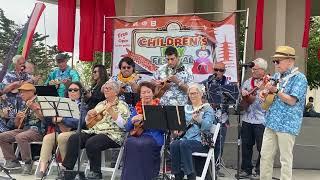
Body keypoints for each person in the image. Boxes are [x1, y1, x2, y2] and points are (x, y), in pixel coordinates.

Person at [61, 81, 130, 180]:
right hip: (95, 131)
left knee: (92, 142)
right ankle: (68, 171)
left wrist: (112, 112)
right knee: (75, 138)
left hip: (113, 134)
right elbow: (89, 123)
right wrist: (88, 116)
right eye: (105, 88)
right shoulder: (101, 104)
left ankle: (96, 172)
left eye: (109, 88)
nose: (106, 90)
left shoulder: (122, 105)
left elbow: (124, 125)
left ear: (116, 92)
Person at [259, 46, 308, 180]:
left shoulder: (300, 78)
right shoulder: (276, 76)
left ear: (290, 61)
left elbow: (292, 101)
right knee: (265, 156)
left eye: (278, 61)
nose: (275, 64)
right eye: (274, 61)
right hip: (271, 122)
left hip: (287, 124)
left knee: (285, 160)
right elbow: (269, 96)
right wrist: (264, 94)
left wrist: (276, 91)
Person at [36, 82, 88, 178]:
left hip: (76, 132)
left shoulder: (83, 106)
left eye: (75, 90)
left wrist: (63, 119)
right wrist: (47, 115)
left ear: (80, 92)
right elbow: (49, 121)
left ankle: (66, 170)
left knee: (62, 137)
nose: (72, 92)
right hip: (62, 130)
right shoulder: (61, 103)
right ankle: (42, 169)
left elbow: (81, 122)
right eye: (70, 90)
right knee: (47, 138)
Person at [170, 83, 215, 180]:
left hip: (201, 141)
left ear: (201, 94)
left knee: (184, 144)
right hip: (186, 140)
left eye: (195, 93)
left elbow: (206, 127)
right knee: (174, 144)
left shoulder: (207, 108)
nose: (193, 96)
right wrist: (177, 130)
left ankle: (191, 175)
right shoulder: (187, 108)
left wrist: (199, 120)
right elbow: (181, 126)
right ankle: (177, 176)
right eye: (190, 93)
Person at [121, 81, 164, 180]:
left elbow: (163, 129)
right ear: (140, 95)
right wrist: (132, 120)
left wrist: (145, 118)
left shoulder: (159, 107)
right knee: (129, 141)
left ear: (153, 93)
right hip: (138, 136)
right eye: (143, 92)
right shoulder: (137, 108)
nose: (146, 95)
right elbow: (127, 128)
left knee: (142, 144)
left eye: (148, 92)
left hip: (153, 137)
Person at [0, 83, 45, 175]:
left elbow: (46, 120)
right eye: (20, 93)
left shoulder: (41, 101)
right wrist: (18, 118)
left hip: (38, 130)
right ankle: (12, 161)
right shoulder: (25, 104)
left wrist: (35, 109)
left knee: (21, 136)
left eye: (23, 92)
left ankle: (28, 163)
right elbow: (18, 126)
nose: (21, 95)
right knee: (2, 136)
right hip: (25, 130)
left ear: (31, 92)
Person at [237, 58, 268, 179]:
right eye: (252, 69)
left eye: (255, 69)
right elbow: (243, 99)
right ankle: (246, 169)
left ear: (262, 70)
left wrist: (256, 93)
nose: (252, 71)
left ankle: (260, 170)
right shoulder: (248, 81)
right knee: (246, 145)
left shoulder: (268, 81)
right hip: (247, 119)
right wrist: (243, 95)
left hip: (262, 119)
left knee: (263, 147)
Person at [201, 61, 230, 177]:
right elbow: (197, 96)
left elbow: (233, 101)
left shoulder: (228, 84)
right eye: (216, 69)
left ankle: (216, 167)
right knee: (206, 143)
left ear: (224, 72)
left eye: (221, 70)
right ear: (213, 70)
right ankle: (204, 167)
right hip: (208, 119)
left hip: (222, 119)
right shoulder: (206, 82)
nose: (218, 72)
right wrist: (206, 102)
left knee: (219, 145)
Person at [0, 55, 31, 132]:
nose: (23, 66)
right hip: (10, 109)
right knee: (6, 133)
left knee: (19, 131)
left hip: (22, 109)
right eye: (20, 64)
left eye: (24, 63)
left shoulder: (27, 76)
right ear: (15, 65)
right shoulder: (9, 75)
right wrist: (14, 84)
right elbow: (3, 90)